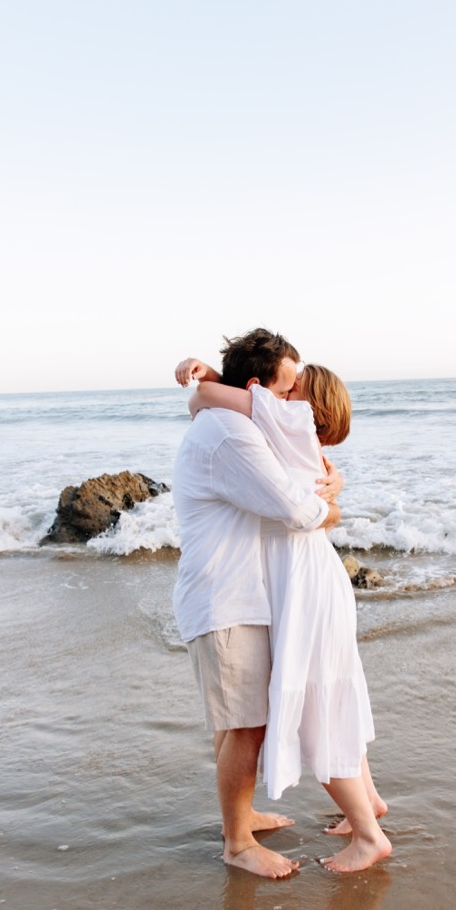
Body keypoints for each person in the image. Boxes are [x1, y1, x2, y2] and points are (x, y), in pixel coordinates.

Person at [185, 360, 390, 873]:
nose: (272, 394)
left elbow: (202, 398)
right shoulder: (298, 440)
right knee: (332, 693)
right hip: (319, 578)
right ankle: (369, 804)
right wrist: (335, 497)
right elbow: (213, 400)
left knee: (317, 706)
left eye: (287, 388)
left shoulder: (281, 426)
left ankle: (368, 834)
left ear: (302, 404)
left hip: (303, 585)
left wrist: (211, 375)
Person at [169, 328, 340, 879]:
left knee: (234, 722)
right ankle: (238, 844)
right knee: (246, 724)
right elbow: (294, 509)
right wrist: (331, 507)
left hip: (230, 594)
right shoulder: (230, 435)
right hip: (226, 598)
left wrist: (208, 383)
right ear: (257, 387)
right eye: (287, 390)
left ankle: (236, 818)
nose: (293, 404)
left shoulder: (233, 419)